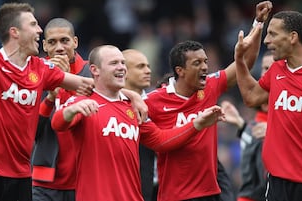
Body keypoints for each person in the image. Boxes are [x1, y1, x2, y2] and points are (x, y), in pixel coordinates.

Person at [0, 0, 136, 201]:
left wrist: (133, 95)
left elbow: (89, 84)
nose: (39, 30)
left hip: (21, 175)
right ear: (15, 32)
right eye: (34, 25)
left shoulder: (40, 68)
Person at [50, 45, 226, 201]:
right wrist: (71, 110)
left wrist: (197, 124)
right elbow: (57, 123)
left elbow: (161, 140)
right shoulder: (84, 101)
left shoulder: (133, 107)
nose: (121, 68)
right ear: (95, 70)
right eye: (113, 63)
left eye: (122, 63)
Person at [144, 1, 273, 201]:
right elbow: (156, 140)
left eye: (205, 61)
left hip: (210, 193)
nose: (205, 67)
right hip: (174, 195)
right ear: (180, 71)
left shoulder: (210, 86)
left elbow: (244, 63)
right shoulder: (153, 101)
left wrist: (258, 24)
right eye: (197, 63)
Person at [234, 10, 302, 201]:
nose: (267, 41)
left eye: (273, 34)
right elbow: (251, 97)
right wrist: (239, 60)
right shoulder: (277, 69)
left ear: (292, 37)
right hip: (278, 182)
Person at [31, 18, 91, 201]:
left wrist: (68, 80)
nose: (59, 47)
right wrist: (49, 98)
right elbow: (32, 131)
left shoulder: (92, 72)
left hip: (85, 179)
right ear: (45, 47)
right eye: (52, 42)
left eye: (64, 40)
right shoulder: (33, 76)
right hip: (45, 183)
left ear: (75, 42)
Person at [221, 51, 274, 201]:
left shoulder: (293, 113)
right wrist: (241, 124)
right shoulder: (256, 122)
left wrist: (273, 132)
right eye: (264, 68)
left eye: (271, 68)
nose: (266, 74)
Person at [122, 49, 156, 201]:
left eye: (148, 66)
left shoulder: (157, 104)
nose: (148, 71)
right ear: (124, 71)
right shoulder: (108, 104)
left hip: (155, 189)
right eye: (140, 66)